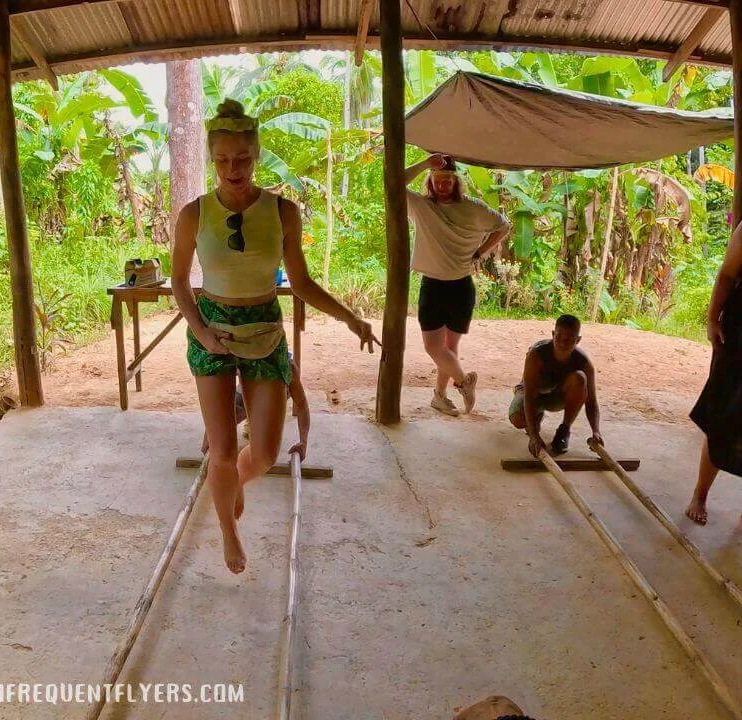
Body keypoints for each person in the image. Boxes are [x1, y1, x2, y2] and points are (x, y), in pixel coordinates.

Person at [172, 99, 379, 574]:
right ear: (212, 159)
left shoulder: (282, 211)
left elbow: (301, 283)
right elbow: (180, 282)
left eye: (242, 158)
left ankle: (235, 484)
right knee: (222, 449)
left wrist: (350, 317)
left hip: (265, 326)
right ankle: (228, 528)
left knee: (263, 453)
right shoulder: (193, 214)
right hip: (213, 331)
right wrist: (201, 331)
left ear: (257, 154)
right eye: (222, 160)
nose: (233, 169)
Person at [404, 153, 511, 416]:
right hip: (433, 285)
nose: (442, 185)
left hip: (461, 287)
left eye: (448, 180)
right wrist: (425, 163)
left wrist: (481, 251)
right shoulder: (422, 206)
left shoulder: (473, 208)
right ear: (430, 181)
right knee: (434, 347)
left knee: (449, 348)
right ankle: (464, 382)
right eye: (437, 179)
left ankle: (439, 396)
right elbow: (392, 181)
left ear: (456, 182)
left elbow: (503, 226)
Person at [686, 222, 742, 524]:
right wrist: (711, 319)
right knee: (720, 414)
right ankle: (700, 493)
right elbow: (727, 274)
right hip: (738, 336)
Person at [508, 314, 603, 457]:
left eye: (569, 340)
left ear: (578, 340)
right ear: (553, 334)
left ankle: (564, 430)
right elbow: (529, 396)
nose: (562, 344)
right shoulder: (536, 355)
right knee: (517, 419)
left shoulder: (584, 363)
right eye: (558, 337)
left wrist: (596, 431)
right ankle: (534, 419)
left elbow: (591, 402)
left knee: (580, 378)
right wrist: (534, 436)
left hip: (558, 396)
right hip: (534, 394)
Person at [199, 352, 310, 462]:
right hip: (248, 392)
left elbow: (302, 405)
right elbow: (219, 400)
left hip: (272, 397)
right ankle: (252, 420)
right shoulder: (241, 357)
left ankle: (258, 421)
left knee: (265, 448)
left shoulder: (286, 368)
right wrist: (210, 435)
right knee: (229, 418)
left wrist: (303, 442)